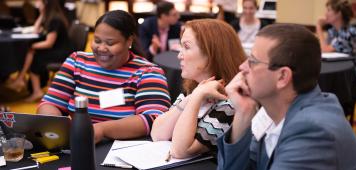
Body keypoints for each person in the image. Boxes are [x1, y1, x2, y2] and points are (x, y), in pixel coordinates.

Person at [216, 23, 356, 170]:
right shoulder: (271, 112)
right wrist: (243, 114)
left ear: (282, 76)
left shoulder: (313, 131)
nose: (242, 67)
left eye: (252, 61)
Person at [37, 10, 171, 141]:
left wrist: (101, 130)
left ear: (129, 41)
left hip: (122, 154)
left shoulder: (147, 72)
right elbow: (50, 103)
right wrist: (55, 127)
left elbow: (154, 118)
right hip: (77, 145)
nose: (101, 48)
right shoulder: (77, 61)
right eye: (97, 40)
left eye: (110, 43)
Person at [151, 19, 246, 158]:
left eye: (187, 47)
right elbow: (158, 134)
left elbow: (180, 151)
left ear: (212, 53)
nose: (179, 55)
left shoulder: (231, 102)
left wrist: (196, 97)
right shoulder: (195, 86)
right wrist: (192, 97)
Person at [7, 0, 74, 102]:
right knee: (31, 51)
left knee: (35, 56)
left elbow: (49, 43)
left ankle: (33, 89)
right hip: (57, 48)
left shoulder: (55, 20)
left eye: (40, 3)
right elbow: (35, 30)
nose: (38, 5)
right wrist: (42, 14)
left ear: (46, 4)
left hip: (62, 52)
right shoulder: (50, 17)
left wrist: (33, 45)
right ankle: (22, 79)